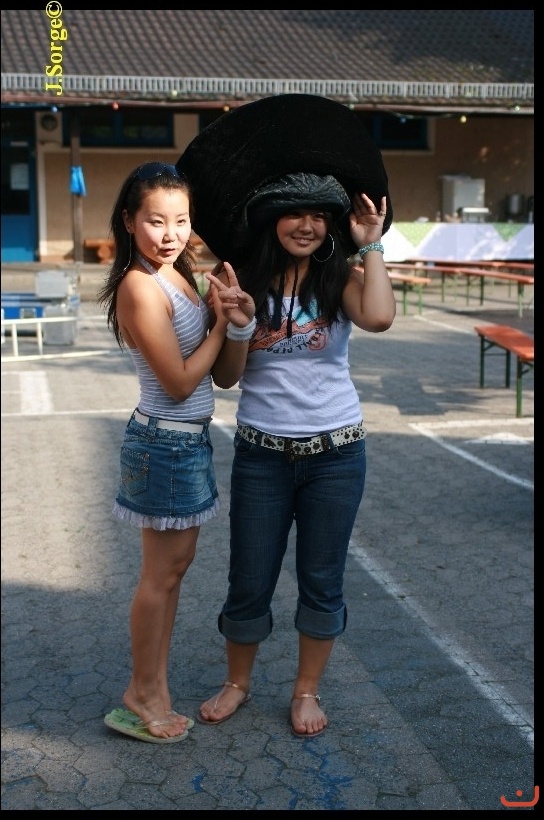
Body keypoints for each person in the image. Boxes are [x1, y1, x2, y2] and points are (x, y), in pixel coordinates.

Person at [197, 171, 396, 737]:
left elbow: (380, 318)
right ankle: (237, 683)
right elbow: (226, 379)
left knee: (322, 577)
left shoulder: (342, 280)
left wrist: (370, 244)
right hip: (262, 457)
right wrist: (238, 326)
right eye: (294, 213)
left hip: (336, 455)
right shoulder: (240, 284)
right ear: (271, 220)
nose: (307, 226)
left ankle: (306, 690)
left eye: (319, 216)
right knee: (249, 576)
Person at [97, 161, 252, 743]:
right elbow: (182, 382)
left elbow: (224, 377)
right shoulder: (140, 285)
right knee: (159, 577)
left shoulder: (179, 273)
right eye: (156, 221)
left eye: (181, 220)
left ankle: (153, 687)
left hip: (186, 442)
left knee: (174, 571)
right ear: (129, 221)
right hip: (163, 443)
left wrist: (233, 320)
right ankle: (141, 693)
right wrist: (219, 324)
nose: (171, 234)